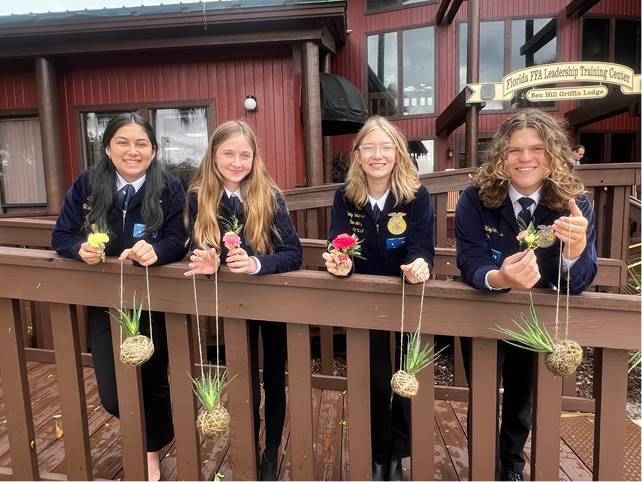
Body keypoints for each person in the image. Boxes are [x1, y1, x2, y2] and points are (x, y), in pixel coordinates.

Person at [455, 109, 598, 481]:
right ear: (502, 154)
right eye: (515, 150)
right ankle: (484, 467)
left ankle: (512, 469)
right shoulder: (475, 199)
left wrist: (574, 252)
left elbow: (578, 282)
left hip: (537, 324)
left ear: (551, 154)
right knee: (483, 397)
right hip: (484, 315)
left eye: (536, 148)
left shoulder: (573, 203)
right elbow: (470, 261)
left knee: (522, 400)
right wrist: (499, 277)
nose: (526, 158)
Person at [52, 112, 188, 481]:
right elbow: (61, 236)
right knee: (113, 392)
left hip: (152, 300)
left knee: (153, 380)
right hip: (105, 302)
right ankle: (154, 435)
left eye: (141, 143)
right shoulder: (87, 185)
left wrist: (157, 251)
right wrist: (79, 249)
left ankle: (150, 450)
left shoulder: (170, 187)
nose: (133, 151)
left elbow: (179, 239)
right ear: (108, 148)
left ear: (154, 150)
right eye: (123, 143)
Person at [183, 120, 302, 481]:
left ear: (255, 157)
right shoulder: (198, 195)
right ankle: (250, 445)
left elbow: (293, 253)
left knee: (274, 381)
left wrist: (256, 263)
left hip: (270, 301)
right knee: (244, 379)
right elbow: (193, 243)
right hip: (233, 308)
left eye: (245, 155)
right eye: (229, 154)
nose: (237, 162)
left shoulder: (269, 195)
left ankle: (271, 451)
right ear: (214, 154)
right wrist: (205, 258)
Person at [323, 116, 434, 481]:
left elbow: (421, 248)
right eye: (369, 147)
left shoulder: (416, 196)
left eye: (386, 147)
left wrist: (419, 264)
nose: (377, 155)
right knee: (374, 380)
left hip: (405, 297)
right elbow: (341, 245)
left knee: (404, 380)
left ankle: (396, 458)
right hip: (365, 302)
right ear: (357, 154)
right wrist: (341, 265)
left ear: (398, 153)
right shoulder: (346, 196)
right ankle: (376, 455)